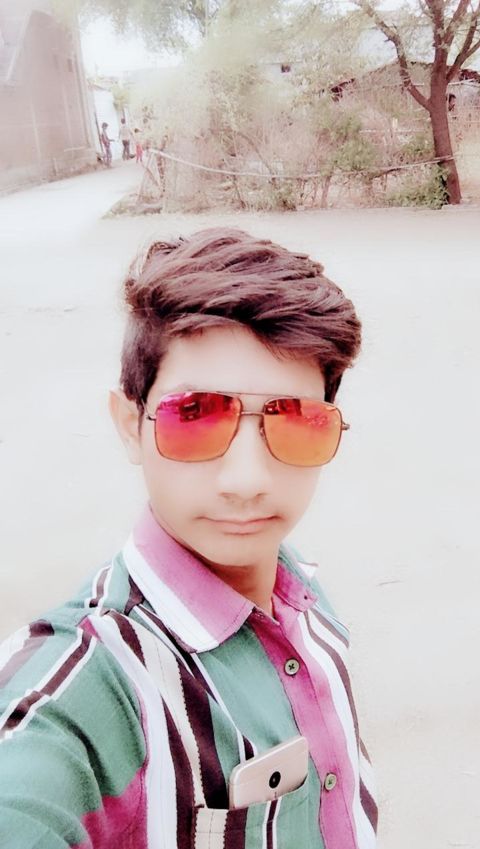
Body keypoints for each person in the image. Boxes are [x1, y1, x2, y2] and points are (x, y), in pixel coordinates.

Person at [0, 228, 378, 849]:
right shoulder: (95, 684)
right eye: (195, 415)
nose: (247, 481)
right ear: (131, 425)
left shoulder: (303, 593)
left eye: (295, 420)